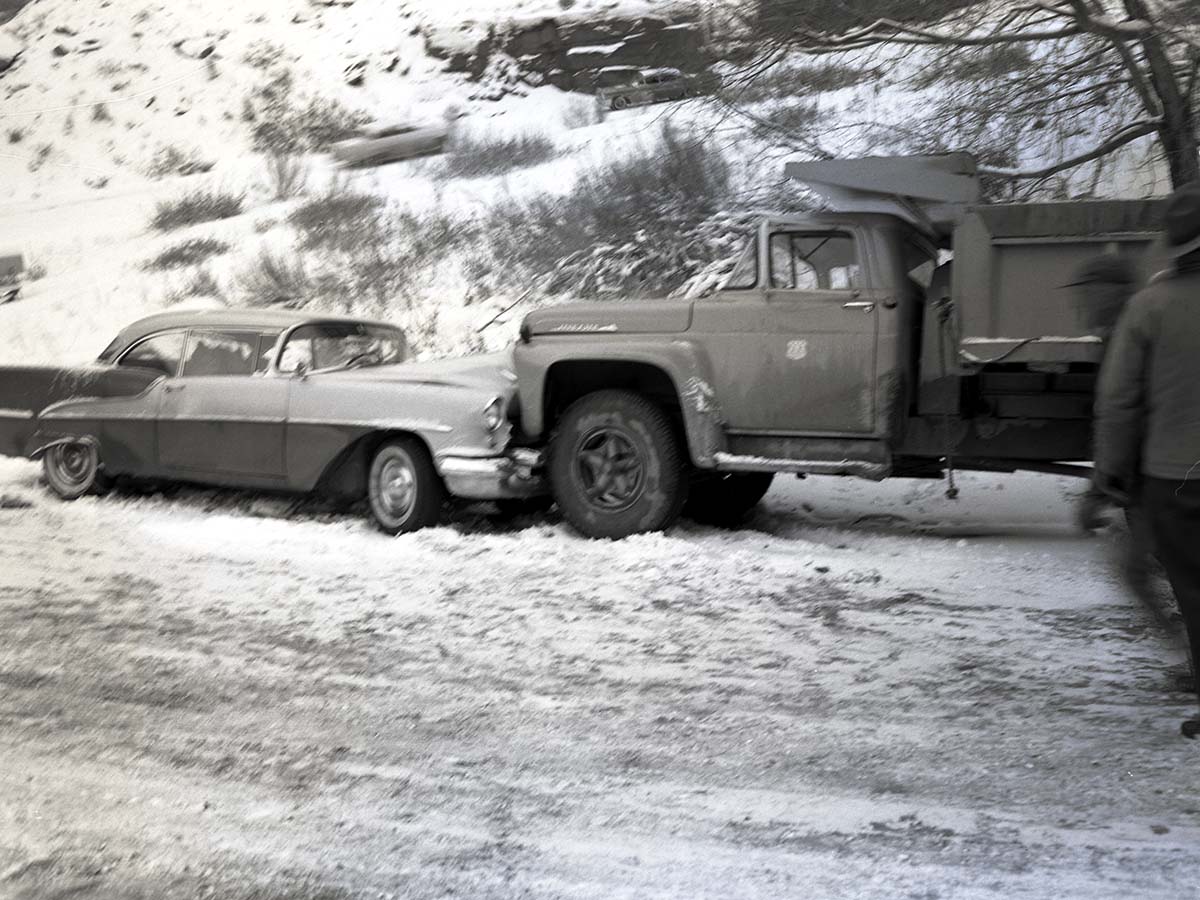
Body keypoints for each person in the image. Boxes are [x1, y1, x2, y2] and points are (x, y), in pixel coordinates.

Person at [1094, 181, 1200, 740]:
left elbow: (1119, 402)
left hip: (1175, 475)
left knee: (1192, 587)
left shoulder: (1149, 306)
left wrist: (1110, 474)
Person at [1065, 256, 1138, 532]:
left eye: (1085, 292)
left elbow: (1120, 413)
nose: (1080, 302)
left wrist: (1102, 484)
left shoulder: (1128, 338)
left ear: (1105, 295)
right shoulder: (1121, 333)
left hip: (1152, 482)